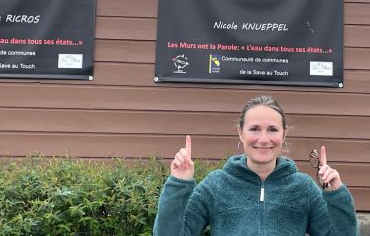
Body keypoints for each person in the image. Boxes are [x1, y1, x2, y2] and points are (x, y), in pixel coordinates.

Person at [153, 95, 358, 236]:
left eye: (272, 130)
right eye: (254, 129)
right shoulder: (215, 185)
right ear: (240, 133)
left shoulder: (303, 188)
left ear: (284, 135)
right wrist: (178, 184)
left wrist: (336, 196)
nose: (263, 138)